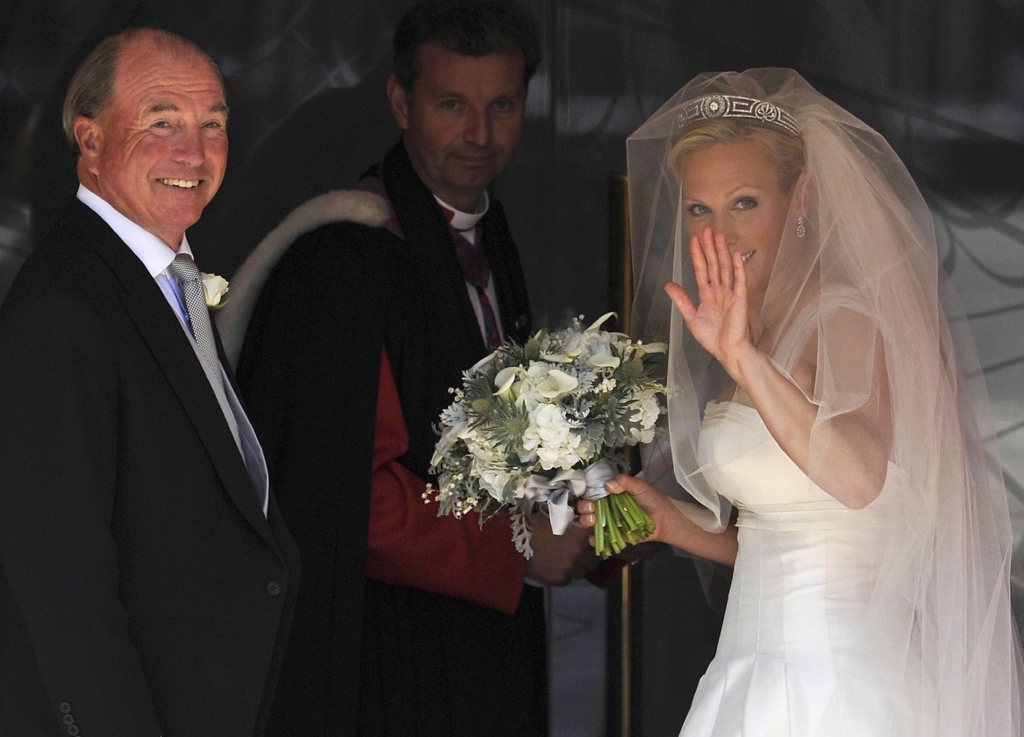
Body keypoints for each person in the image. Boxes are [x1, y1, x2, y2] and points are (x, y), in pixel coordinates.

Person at [579, 68, 1024, 736]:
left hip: (836, 684)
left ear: (804, 197)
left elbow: (856, 480)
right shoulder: (750, 330)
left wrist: (745, 361)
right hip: (751, 670)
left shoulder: (843, 316)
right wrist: (673, 524)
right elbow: (782, 538)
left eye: (745, 202)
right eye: (700, 208)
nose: (719, 232)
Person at [217, 1, 597, 735]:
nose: (480, 134)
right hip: (386, 658)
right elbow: (358, 503)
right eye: (452, 104)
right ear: (400, 101)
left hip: (476, 644)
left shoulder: (489, 231)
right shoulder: (347, 259)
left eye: (502, 105)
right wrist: (521, 549)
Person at [0, 29, 300, 737]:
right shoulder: (62, 305)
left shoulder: (168, 278)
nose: (193, 153)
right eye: (161, 122)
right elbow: (60, 582)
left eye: (212, 124)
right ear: (90, 140)